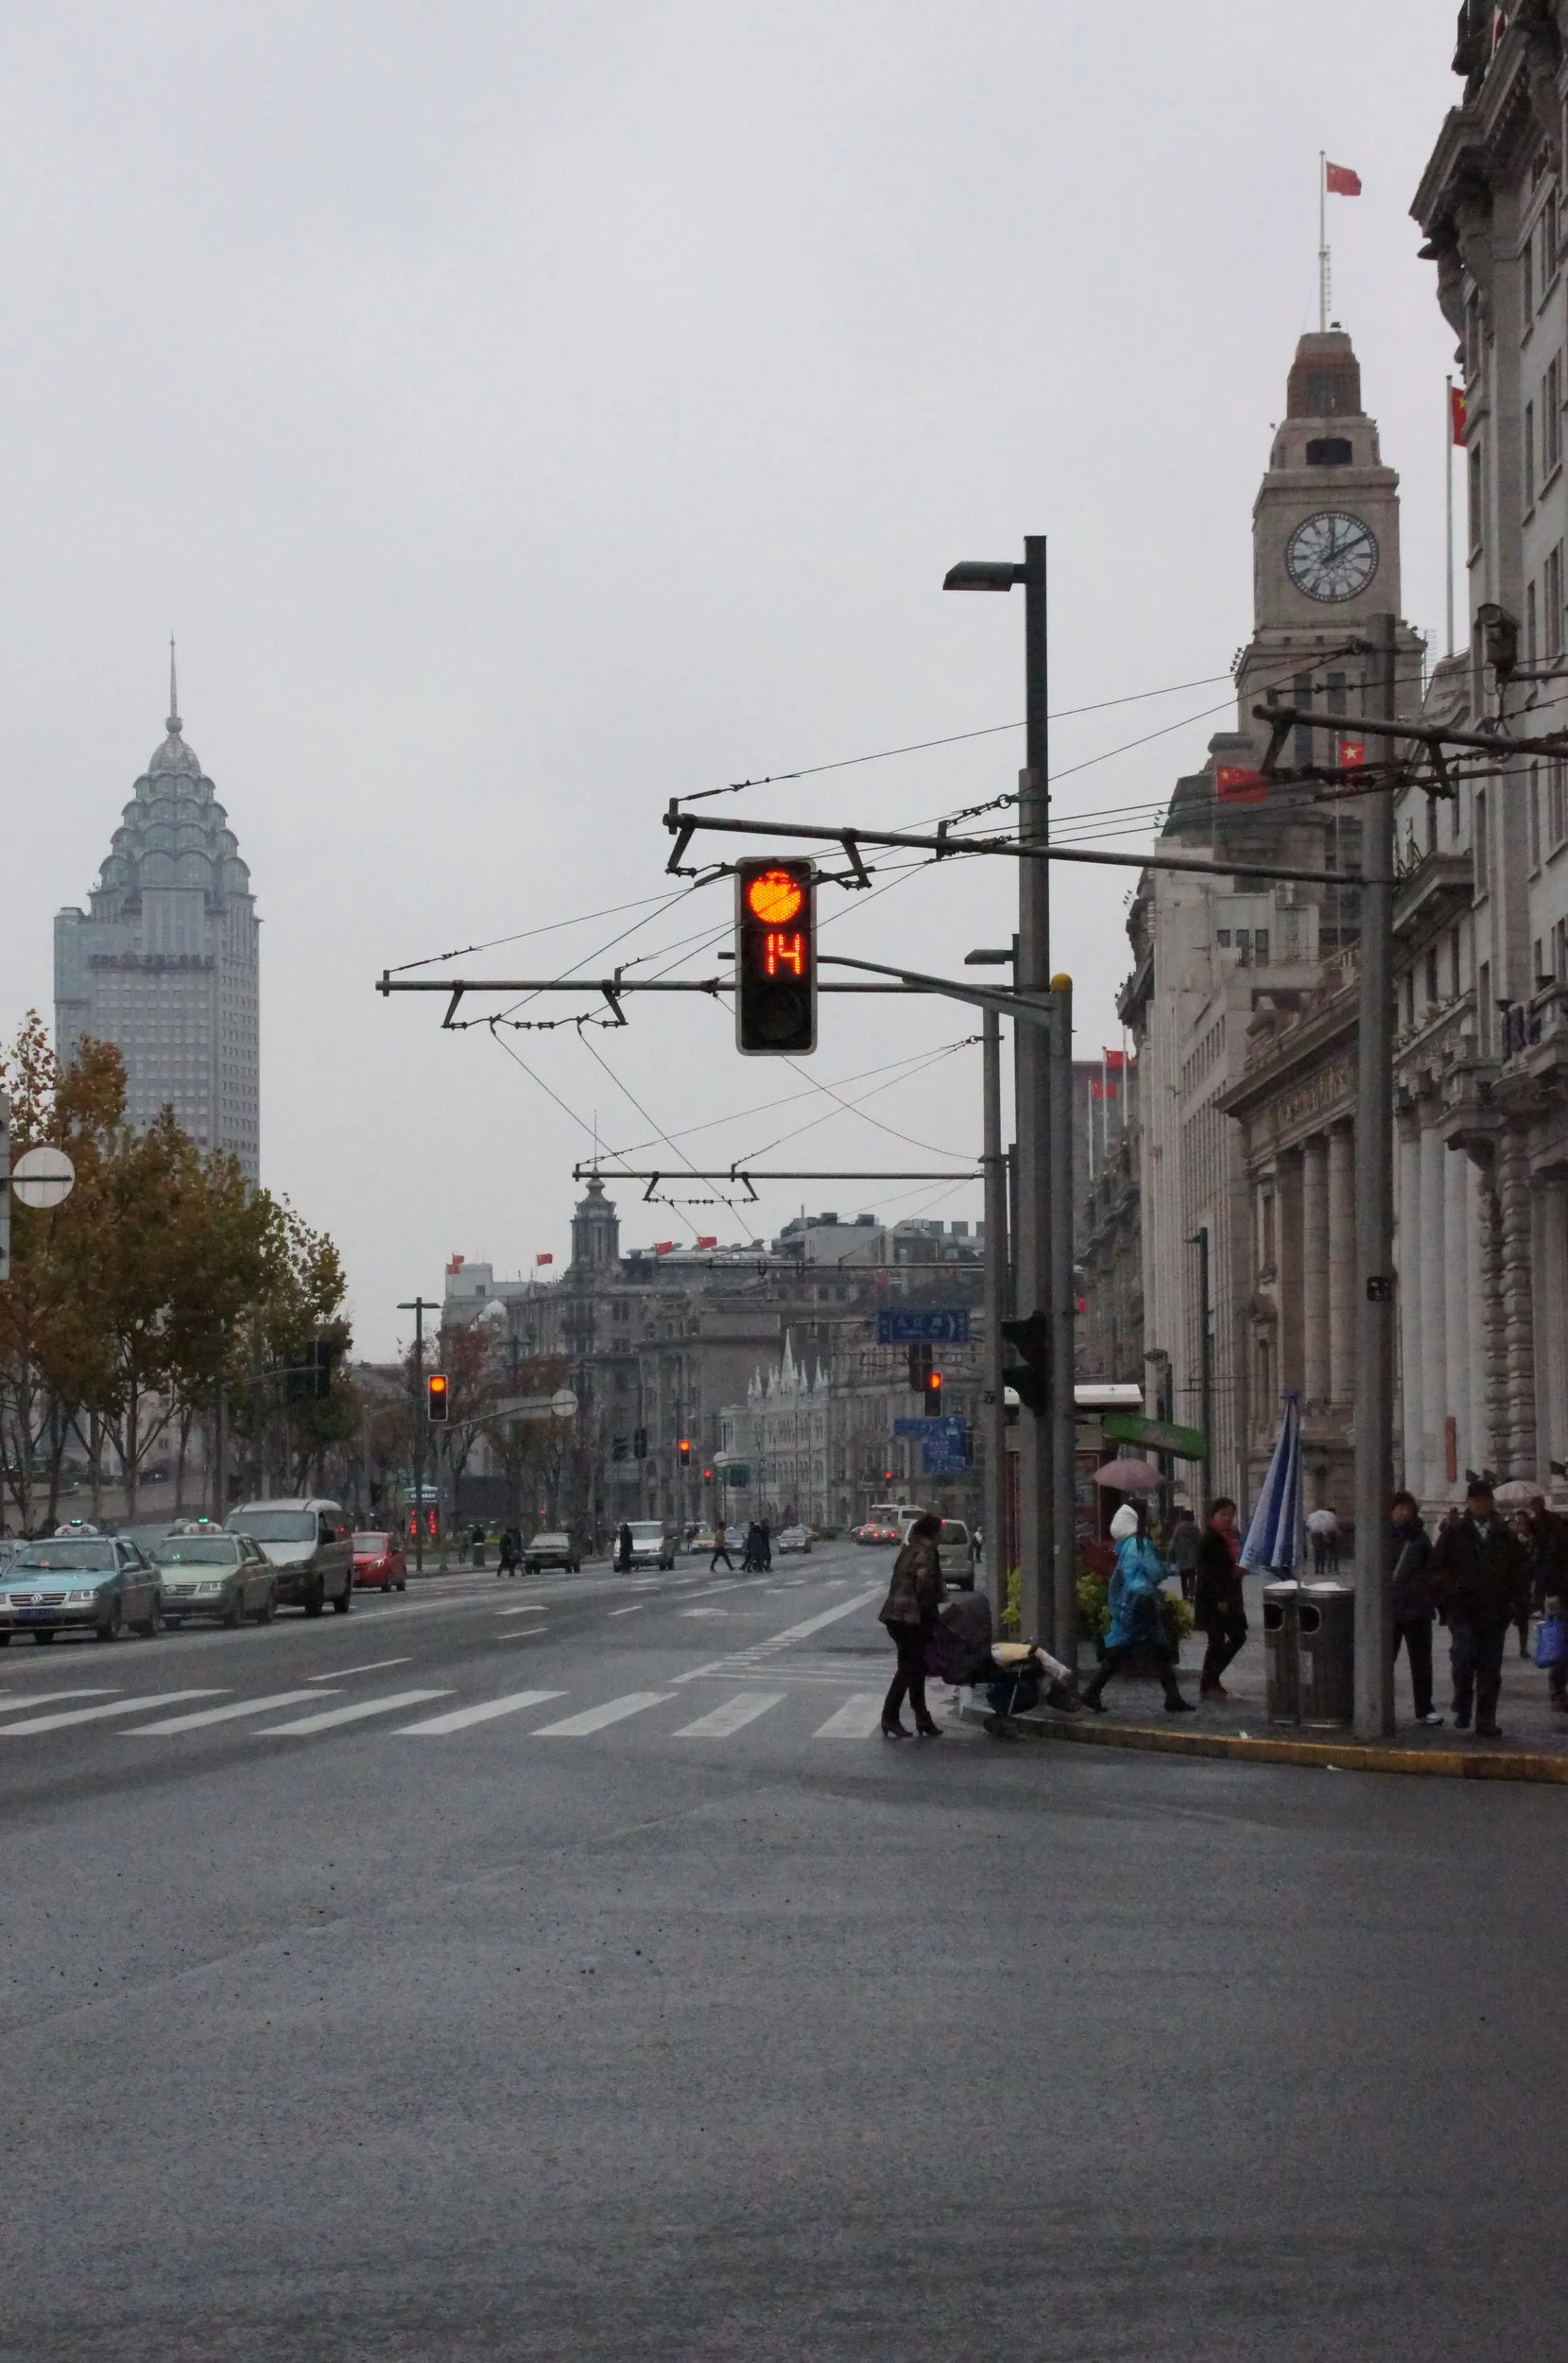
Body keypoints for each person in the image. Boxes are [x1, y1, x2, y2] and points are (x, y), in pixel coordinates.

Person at [1429, 1477, 1531, 1737]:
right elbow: (1436, 1568)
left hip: (1495, 1611)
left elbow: (1519, 1571)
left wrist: (1518, 1604)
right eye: (1478, 1500)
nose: (1483, 1505)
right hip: (1463, 1610)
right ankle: (1463, 1704)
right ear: (1469, 1503)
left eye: (1487, 1500)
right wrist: (1450, 1593)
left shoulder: (1503, 1534)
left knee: (1490, 1668)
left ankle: (1486, 1720)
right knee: (1463, 1659)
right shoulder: (1454, 1532)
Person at [1081, 1502, 1195, 1716]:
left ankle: (1173, 1697)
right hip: (1142, 1600)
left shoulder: (1124, 1544)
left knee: (1155, 1648)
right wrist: (1162, 1564)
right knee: (1134, 1647)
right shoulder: (1140, 1543)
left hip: (1132, 1601)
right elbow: (1155, 1572)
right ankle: (1092, 1691)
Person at [878, 1511, 946, 1738]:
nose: (940, 1537)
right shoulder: (925, 1554)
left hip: (896, 1616)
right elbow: (923, 1586)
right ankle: (890, 1717)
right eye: (939, 1533)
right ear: (932, 1534)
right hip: (910, 1618)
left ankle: (922, 1717)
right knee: (910, 1668)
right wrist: (932, 1616)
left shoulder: (909, 1549)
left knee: (915, 1667)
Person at [1388, 1490, 1442, 1727]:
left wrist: (1426, 1592)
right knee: (1383, 1660)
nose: (1404, 1513)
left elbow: (1432, 1569)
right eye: (1400, 1508)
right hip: (1390, 1609)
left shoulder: (1420, 1538)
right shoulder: (1381, 1535)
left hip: (1418, 1608)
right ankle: (1379, 1705)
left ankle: (1424, 1708)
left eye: (1408, 1509)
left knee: (1421, 1663)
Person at [1192, 1497, 1246, 1700]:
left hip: (1230, 1596)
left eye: (1231, 1514)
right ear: (1214, 1515)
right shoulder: (1209, 1539)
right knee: (1216, 1640)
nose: (1228, 1518)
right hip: (1213, 1599)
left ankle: (1211, 1679)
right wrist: (1219, 1598)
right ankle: (1209, 1682)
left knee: (1236, 1637)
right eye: (1223, 1513)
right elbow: (1207, 1573)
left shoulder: (1231, 1538)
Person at [1524, 1497, 1568, 1713]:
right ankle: (1558, 1691)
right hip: (1565, 1595)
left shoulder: (1556, 1524)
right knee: (1563, 1642)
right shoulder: (1560, 1528)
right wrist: (1551, 1594)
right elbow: (1552, 1563)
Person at [1167, 1506, 1202, 1604]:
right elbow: (1200, 1542)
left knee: (1183, 1576)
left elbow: (1173, 1542)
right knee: (1192, 1575)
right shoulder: (1195, 1529)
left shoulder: (1179, 1528)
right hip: (1193, 1556)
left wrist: (1171, 1554)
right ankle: (1192, 1593)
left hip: (1181, 1556)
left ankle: (1185, 1594)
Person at [1306, 1504, 1340, 1575]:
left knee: (1319, 1555)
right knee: (1323, 1555)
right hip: (1323, 1540)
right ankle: (1322, 1569)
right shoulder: (1329, 1522)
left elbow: (1309, 1528)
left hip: (1320, 1541)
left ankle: (1318, 1569)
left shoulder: (1315, 1525)